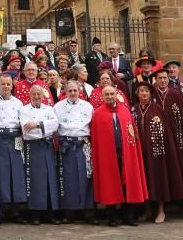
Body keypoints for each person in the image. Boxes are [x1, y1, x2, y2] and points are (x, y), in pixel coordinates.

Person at [90, 84, 148, 227]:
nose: (110, 97)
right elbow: (96, 139)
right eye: (107, 95)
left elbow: (132, 133)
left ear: (116, 94)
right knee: (110, 184)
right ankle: (112, 216)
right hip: (107, 155)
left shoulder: (125, 111)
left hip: (125, 153)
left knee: (126, 183)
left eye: (112, 94)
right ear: (102, 97)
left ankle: (127, 215)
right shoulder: (97, 114)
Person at [131, 82, 183, 224]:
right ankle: (147, 209)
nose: (144, 94)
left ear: (150, 94)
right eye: (141, 91)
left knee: (158, 179)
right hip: (140, 153)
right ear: (137, 94)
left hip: (157, 153)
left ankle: (161, 210)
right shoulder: (134, 110)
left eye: (146, 91)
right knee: (144, 182)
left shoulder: (157, 109)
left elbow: (165, 132)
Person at [55, 80, 95, 224]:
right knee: (68, 178)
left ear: (80, 92)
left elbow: (93, 126)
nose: (72, 93)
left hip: (83, 144)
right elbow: (54, 127)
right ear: (65, 91)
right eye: (69, 91)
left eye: (75, 91)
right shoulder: (58, 107)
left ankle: (88, 211)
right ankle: (69, 212)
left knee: (86, 177)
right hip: (66, 145)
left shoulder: (88, 106)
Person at [0, 73, 26, 223]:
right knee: (1, 174)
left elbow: (22, 123)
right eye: (3, 84)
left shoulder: (18, 103)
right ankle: (1, 211)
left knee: (16, 174)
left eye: (8, 84)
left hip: (15, 139)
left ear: (12, 85)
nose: (6, 86)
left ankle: (16, 211)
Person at [152, 69, 183, 192]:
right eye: (160, 78)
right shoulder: (152, 94)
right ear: (155, 80)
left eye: (165, 78)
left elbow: (182, 117)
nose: (162, 81)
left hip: (175, 135)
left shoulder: (176, 94)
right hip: (158, 136)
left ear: (168, 79)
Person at [20, 85, 59, 224]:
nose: (37, 97)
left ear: (43, 96)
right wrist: (44, 127)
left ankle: (50, 213)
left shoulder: (49, 109)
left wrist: (36, 124)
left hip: (47, 146)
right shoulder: (24, 110)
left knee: (50, 178)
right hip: (33, 147)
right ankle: (35, 214)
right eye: (34, 94)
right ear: (30, 95)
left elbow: (55, 125)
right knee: (35, 180)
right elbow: (26, 130)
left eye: (39, 94)